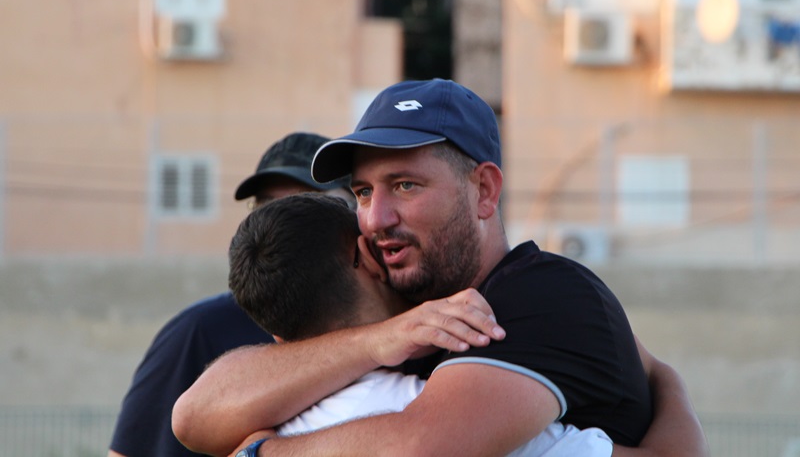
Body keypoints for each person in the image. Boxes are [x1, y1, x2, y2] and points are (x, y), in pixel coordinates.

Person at [172, 80, 709, 457]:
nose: (375, 218)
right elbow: (194, 416)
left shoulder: (543, 296)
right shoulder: (400, 308)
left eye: (405, 185)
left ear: (484, 190)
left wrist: (266, 452)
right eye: (363, 192)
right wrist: (378, 340)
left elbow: (420, 447)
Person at [225, 192, 613, 457]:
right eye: (364, 193)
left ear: (278, 336)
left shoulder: (261, 423)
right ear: (368, 256)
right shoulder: (437, 414)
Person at [108, 132, 352, 457]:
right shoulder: (199, 332)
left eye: (303, 204)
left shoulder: (403, 328)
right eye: (266, 206)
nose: (279, 223)